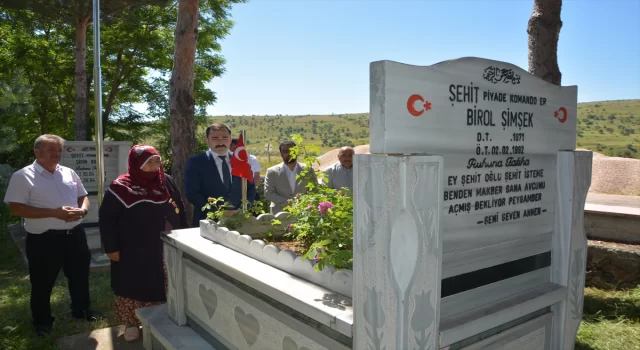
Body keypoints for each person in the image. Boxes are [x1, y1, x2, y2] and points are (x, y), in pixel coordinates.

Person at [3, 134, 104, 336]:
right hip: (44, 238)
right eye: (51, 150)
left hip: (75, 234)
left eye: (59, 150)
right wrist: (54, 213)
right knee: (42, 281)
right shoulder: (23, 176)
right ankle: (42, 321)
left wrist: (82, 211)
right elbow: (16, 209)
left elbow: (82, 196)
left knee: (79, 275)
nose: (56, 154)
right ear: (37, 151)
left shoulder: (68, 172)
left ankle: (81, 310)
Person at [98, 144, 187, 342]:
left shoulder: (166, 181)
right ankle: (131, 322)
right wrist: (111, 247)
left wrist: (185, 235)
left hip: (165, 245)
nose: (155, 165)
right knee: (134, 284)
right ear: (136, 163)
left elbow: (179, 207)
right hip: (134, 249)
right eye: (149, 161)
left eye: (157, 160)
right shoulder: (121, 187)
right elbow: (107, 219)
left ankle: (163, 318)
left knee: (164, 281)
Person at [184, 123, 256, 227]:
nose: (220, 142)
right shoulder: (196, 163)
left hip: (239, 222)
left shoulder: (241, 161)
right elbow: (192, 194)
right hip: (208, 223)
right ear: (207, 140)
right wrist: (219, 212)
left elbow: (251, 189)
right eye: (215, 138)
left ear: (230, 140)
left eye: (225, 138)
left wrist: (242, 210)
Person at [264, 140, 317, 214]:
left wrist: (303, 202)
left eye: (292, 151)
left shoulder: (308, 170)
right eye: (285, 151)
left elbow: (314, 190)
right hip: (279, 213)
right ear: (281, 154)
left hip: (303, 212)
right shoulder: (272, 172)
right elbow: (268, 192)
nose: (289, 153)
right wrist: (287, 202)